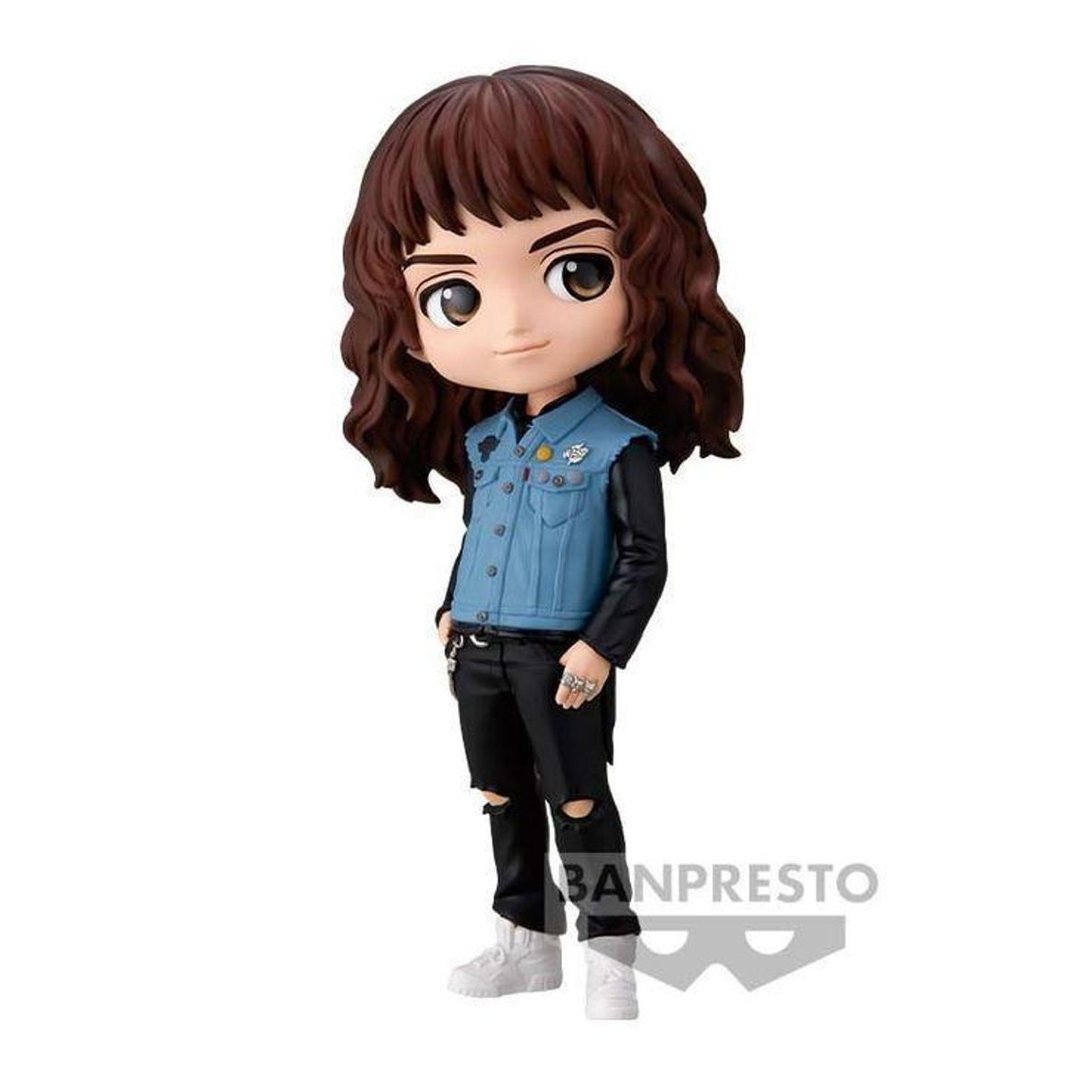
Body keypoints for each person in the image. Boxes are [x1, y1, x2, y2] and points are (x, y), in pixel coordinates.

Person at [340, 66, 744, 1019]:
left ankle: (611, 951)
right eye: (456, 295)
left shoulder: (619, 445)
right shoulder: (487, 440)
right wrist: (450, 608)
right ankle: (522, 942)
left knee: (579, 799)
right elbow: (485, 530)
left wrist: (601, 648)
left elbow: (644, 559)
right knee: (498, 795)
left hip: (562, 657)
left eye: (577, 273)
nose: (517, 325)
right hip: (479, 647)